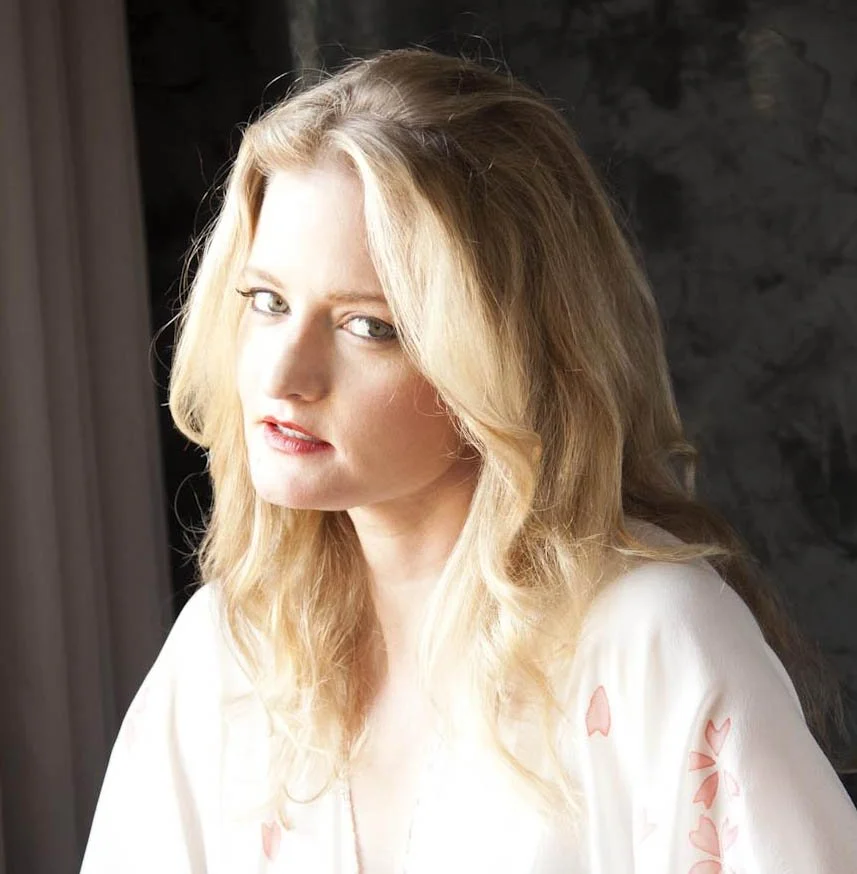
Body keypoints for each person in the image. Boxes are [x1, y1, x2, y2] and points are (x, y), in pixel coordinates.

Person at [80, 47, 857, 873]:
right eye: (267, 302)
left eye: (368, 326)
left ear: (509, 357)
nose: (283, 375)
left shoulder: (652, 639)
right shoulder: (229, 653)